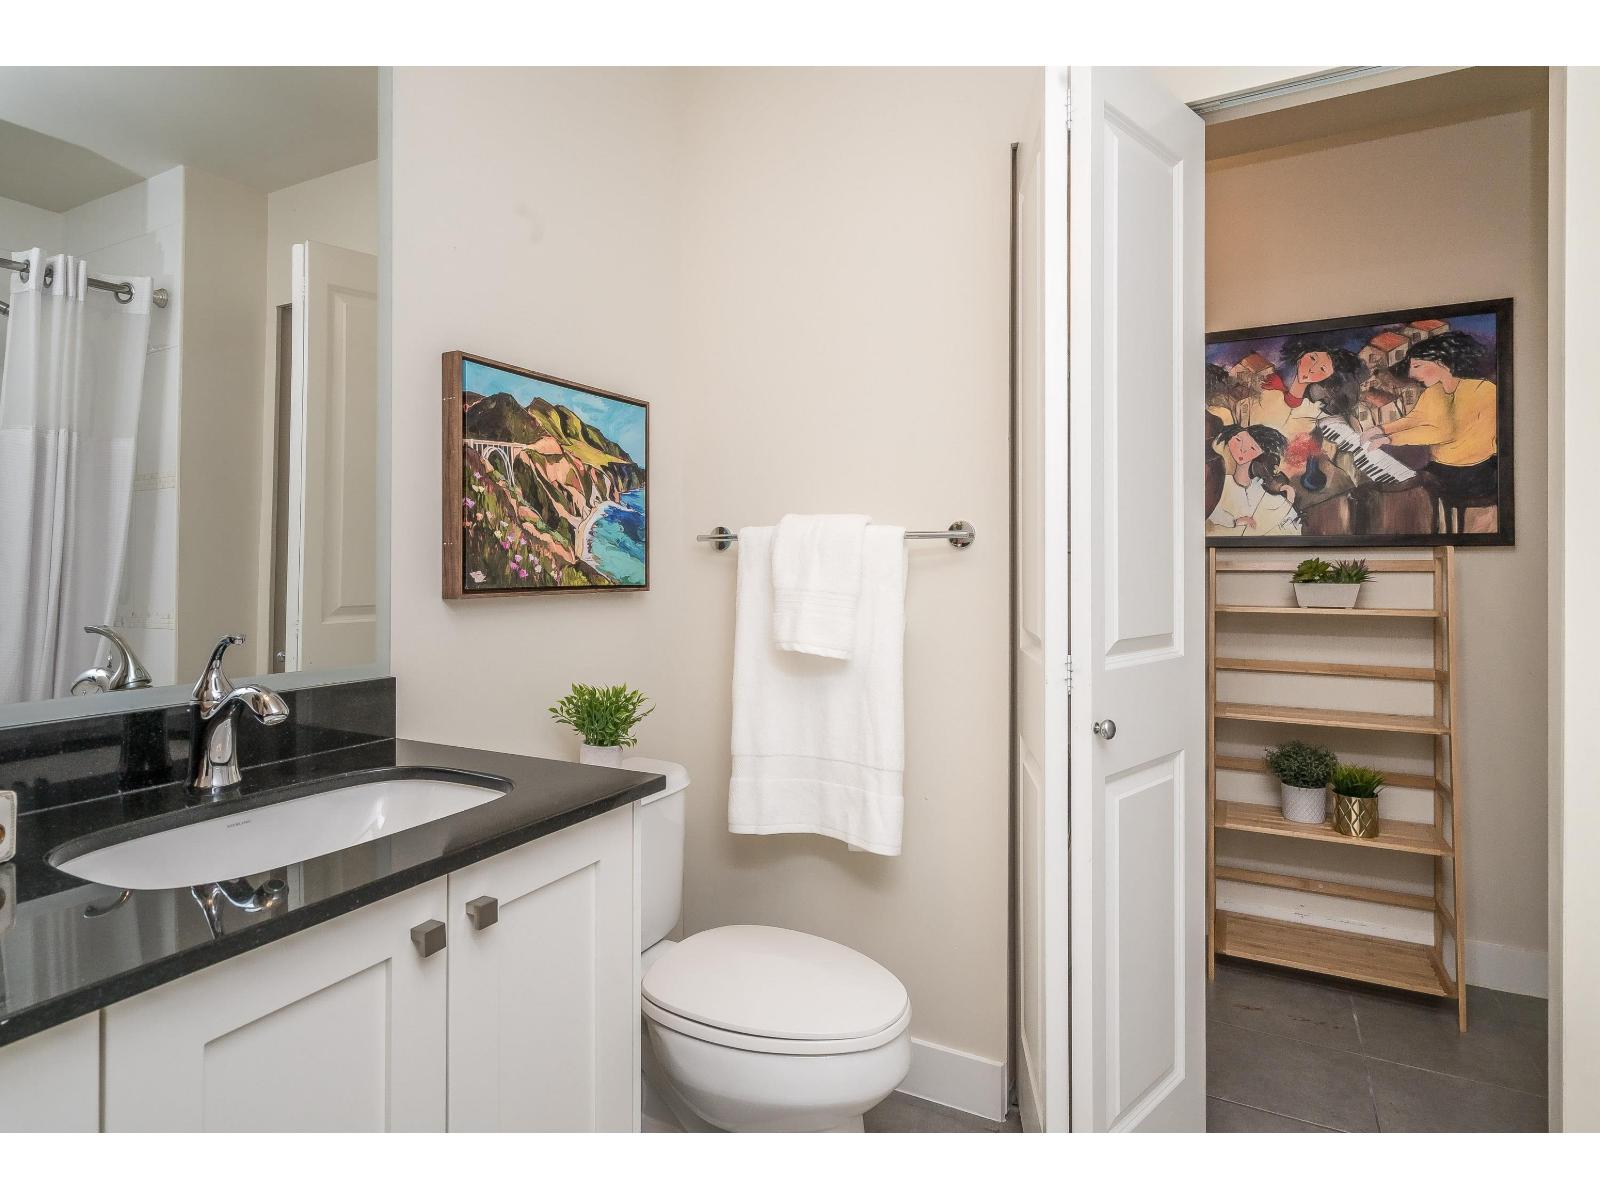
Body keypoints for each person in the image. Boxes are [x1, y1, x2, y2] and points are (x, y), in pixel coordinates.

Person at [1360, 331, 1497, 532]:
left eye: (1417, 366)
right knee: (1392, 485)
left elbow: (1445, 432)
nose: (1411, 374)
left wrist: (1389, 439)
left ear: (1441, 363)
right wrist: (1380, 429)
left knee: (1406, 491)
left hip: (1476, 471)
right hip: (1441, 467)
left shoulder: (1481, 390)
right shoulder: (1435, 391)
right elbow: (1415, 418)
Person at [1207, 423, 1301, 537]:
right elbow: (1208, 512)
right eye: (1238, 440)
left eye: (1253, 448)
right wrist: (1233, 522)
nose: (1243, 449)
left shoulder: (1262, 488)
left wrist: (1288, 500)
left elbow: (1289, 524)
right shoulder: (1219, 483)